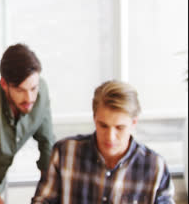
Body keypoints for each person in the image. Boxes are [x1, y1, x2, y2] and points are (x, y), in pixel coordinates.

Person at [32, 80, 175, 204]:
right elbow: (42, 200)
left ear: (133, 123)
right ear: (94, 118)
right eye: (103, 125)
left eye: (119, 128)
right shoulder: (64, 153)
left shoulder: (154, 167)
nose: (110, 137)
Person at [0, 43, 55, 191]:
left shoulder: (41, 92)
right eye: (20, 90)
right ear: (4, 84)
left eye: (33, 88)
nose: (29, 98)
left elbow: (47, 143)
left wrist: (48, 194)